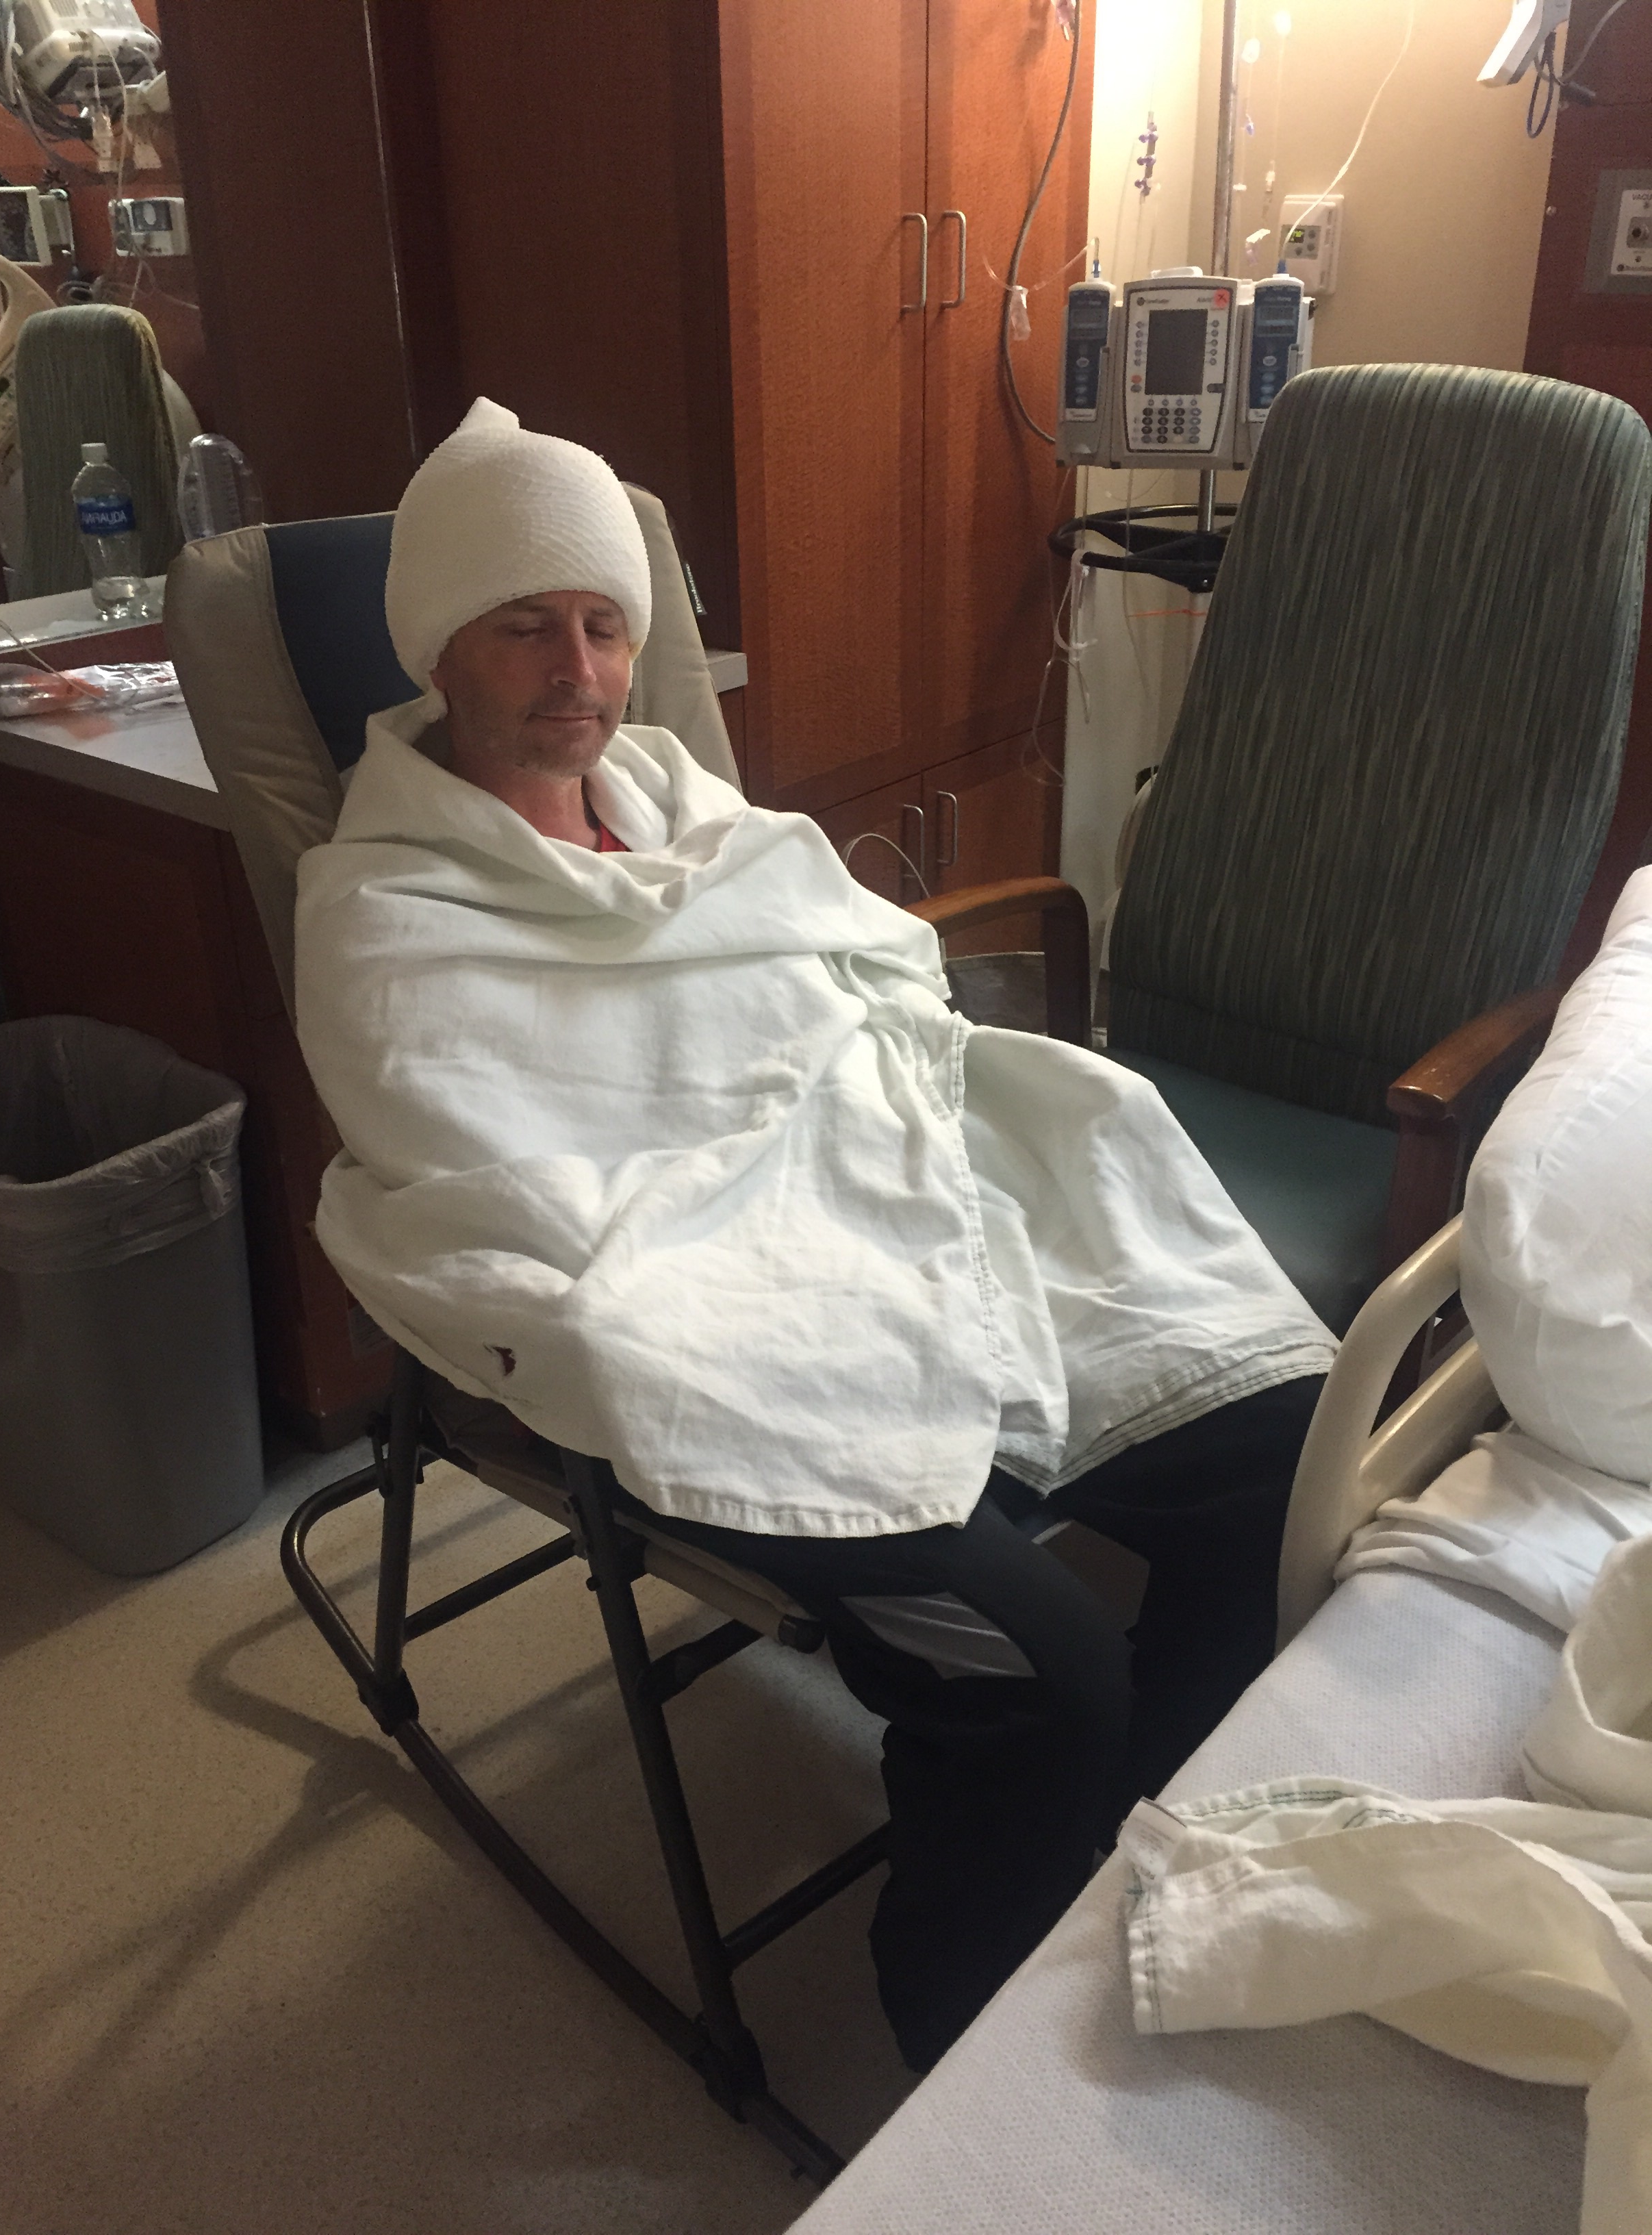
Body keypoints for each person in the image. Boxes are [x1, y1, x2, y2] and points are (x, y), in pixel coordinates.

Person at [295, 398, 1334, 2070]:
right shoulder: (383, 912)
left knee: (1287, 1455)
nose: (579, 671)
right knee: (1046, 1669)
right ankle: (960, 2027)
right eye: (524, 627)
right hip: (710, 1304)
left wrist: (848, 1105)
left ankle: (1146, 1850)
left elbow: (864, 964)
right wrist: (755, 1174)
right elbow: (484, 1151)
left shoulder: (681, 804)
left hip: (892, 1187)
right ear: (439, 648)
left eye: (605, 624)